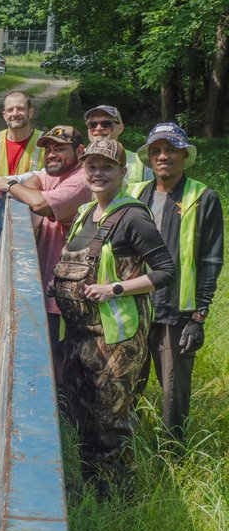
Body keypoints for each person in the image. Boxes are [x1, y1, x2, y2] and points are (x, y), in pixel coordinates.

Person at [52, 137, 174, 493]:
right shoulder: (85, 214)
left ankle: (118, 497)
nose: (98, 173)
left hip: (115, 341)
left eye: (107, 167)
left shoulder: (133, 216)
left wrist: (115, 288)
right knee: (83, 415)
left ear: (122, 172)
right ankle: (91, 486)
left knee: (111, 422)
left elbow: (166, 272)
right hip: (80, 336)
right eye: (91, 166)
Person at [128, 123, 224, 441]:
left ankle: (172, 456)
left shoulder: (202, 197)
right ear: (149, 157)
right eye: (156, 150)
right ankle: (126, 446)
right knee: (128, 385)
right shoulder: (134, 195)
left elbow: (211, 260)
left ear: (184, 155)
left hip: (177, 313)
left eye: (170, 150)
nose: (162, 156)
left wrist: (199, 316)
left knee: (173, 395)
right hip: (135, 310)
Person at [0, 125, 89, 373]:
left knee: (58, 358)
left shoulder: (81, 181)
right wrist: (25, 186)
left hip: (66, 289)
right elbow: (36, 181)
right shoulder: (55, 174)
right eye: (48, 149)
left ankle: (63, 407)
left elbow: (40, 203)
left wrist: (9, 184)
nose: (51, 154)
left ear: (80, 151)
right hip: (45, 282)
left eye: (60, 148)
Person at [0, 91, 44, 184]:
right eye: (10, 110)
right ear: (4, 115)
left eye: (20, 109)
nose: (15, 113)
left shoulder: (46, 143)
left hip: (30, 198)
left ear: (30, 112)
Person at [85, 105, 151, 184]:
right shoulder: (76, 159)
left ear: (120, 128)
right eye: (92, 124)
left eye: (106, 124)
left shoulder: (140, 161)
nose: (98, 128)